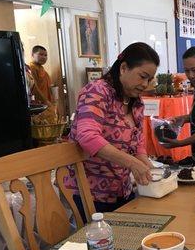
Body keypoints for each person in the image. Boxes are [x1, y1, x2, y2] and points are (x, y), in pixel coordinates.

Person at [65, 42, 159, 215]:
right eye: (142, 76)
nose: (146, 84)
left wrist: (148, 168)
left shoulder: (136, 102)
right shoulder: (97, 92)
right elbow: (87, 136)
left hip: (122, 191)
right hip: (90, 195)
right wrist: (132, 163)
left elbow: (137, 145)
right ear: (123, 68)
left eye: (149, 79)